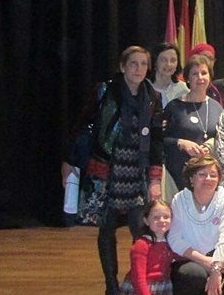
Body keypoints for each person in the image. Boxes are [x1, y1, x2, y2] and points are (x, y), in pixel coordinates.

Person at [74, 46, 165, 294]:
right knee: (106, 231)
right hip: (106, 173)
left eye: (143, 64)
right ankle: (111, 285)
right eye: (133, 63)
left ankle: (138, 281)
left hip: (137, 175)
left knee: (141, 232)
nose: (138, 69)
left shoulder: (153, 97)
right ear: (123, 66)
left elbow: (156, 141)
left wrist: (155, 179)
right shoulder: (105, 91)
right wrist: (70, 161)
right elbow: (83, 126)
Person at [168, 156, 224, 295]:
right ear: (191, 178)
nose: (208, 179)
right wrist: (206, 262)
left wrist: (216, 268)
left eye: (213, 175)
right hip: (189, 258)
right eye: (202, 174)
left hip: (220, 259)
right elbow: (174, 239)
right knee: (194, 274)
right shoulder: (180, 199)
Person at [164, 55, 223, 190]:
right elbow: (160, 140)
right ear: (187, 78)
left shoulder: (217, 107)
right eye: (195, 74)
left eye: (204, 73)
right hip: (179, 175)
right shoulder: (174, 107)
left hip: (208, 177)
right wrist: (181, 143)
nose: (200, 77)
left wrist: (211, 145)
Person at [118, 199, 177, 294]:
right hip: (141, 289)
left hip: (163, 287)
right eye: (156, 217)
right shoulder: (141, 245)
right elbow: (138, 277)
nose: (162, 220)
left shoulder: (170, 243)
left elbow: (180, 255)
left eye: (166, 217)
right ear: (146, 221)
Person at [151, 42, 189, 108]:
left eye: (173, 60)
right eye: (164, 60)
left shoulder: (183, 89)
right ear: (155, 62)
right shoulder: (145, 87)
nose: (168, 64)